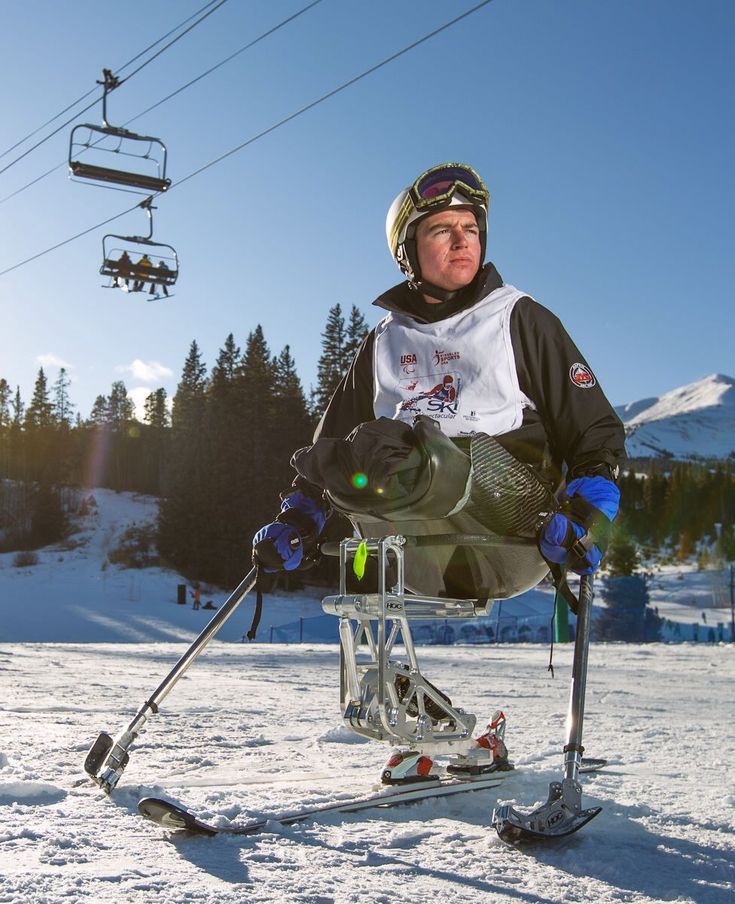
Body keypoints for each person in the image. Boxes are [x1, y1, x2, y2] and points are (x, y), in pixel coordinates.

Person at [253, 162, 625, 586]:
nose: (462, 240)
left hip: (507, 533)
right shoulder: (384, 341)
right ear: (407, 251)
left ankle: (421, 465)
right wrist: (298, 518)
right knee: (369, 451)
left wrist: (589, 517)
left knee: (419, 452)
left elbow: (594, 429)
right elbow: (332, 443)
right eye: (442, 230)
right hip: (410, 549)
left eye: (470, 228)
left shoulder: (516, 317)